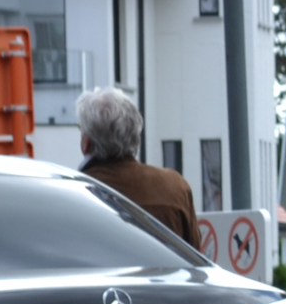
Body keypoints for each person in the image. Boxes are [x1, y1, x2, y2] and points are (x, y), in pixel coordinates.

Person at [74, 86, 199, 249]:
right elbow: (197, 258)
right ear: (135, 137)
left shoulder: (74, 193)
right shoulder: (175, 188)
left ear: (86, 143)